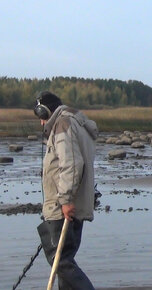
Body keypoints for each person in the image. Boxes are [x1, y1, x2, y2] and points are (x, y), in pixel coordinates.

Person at [34, 91, 97, 290]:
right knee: (64, 263)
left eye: (42, 117)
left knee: (59, 261)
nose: (42, 123)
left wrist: (66, 200)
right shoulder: (76, 124)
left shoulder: (63, 125)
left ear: (47, 111)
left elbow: (71, 164)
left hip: (63, 207)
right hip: (71, 206)